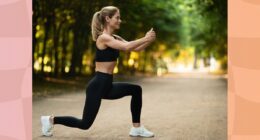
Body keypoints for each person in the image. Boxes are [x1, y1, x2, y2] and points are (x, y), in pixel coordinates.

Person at [41, 6, 156, 138]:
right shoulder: (103, 38)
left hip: (107, 85)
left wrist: (149, 40)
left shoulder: (115, 37)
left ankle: (137, 128)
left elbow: (134, 49)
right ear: (108, 19)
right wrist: (145, 38)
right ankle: (50, 120)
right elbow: (127, 46)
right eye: (117, 17)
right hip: (97, 86)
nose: (120, 20)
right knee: (85, 124)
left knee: (136, 90)